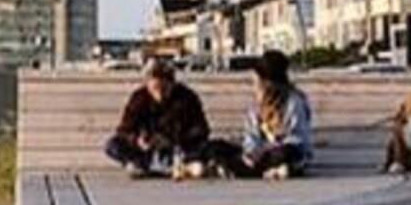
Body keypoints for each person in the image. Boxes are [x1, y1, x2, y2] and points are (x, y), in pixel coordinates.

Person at [105, 57, 212, 178]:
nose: (160, 95)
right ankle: (143, 165)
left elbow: (201, 130)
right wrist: (138, 140)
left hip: (178, 149)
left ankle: (173, 166)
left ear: (172, 84)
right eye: (155, 89)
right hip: (147, 151)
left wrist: (172, 140)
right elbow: (124, 130)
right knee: (113, 145)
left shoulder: (187, 98)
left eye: (164, 89)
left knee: (210, 147)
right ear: (148, 85)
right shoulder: (138, 98)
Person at [221, 50, 313, 179]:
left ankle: (273, 169)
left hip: (285, 151)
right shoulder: (256, 105)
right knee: (222, 149)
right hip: (262, 153)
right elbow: (251, 136)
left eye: (257, 81)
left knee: (285, 154)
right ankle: (270, 170)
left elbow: (298, 138)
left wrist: (267, 149)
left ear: (268, 82)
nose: (255, 85)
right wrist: (252, 152)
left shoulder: (293, 101)